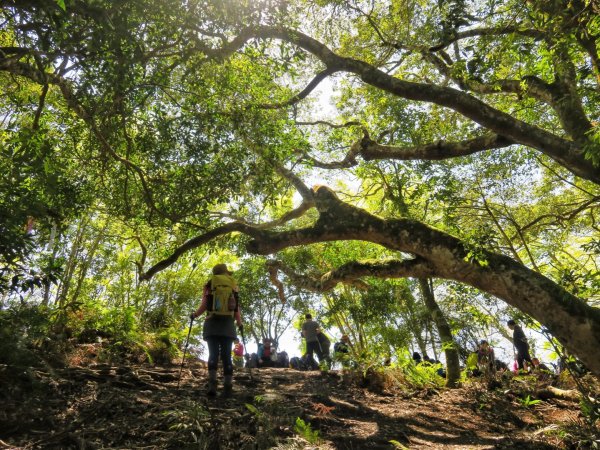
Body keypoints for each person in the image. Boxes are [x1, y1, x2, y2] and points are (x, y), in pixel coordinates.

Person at [191, 263, 243, 396]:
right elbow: (236, 307)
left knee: (213, 354)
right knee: (226, 356)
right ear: (226, 273)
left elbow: (204, 304)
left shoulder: (210, 284)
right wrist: (239, 322)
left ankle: (212, 386)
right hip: (228, 325)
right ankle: (227, 387)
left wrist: (195, 315)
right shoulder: (233, 285)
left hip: (211, 323)